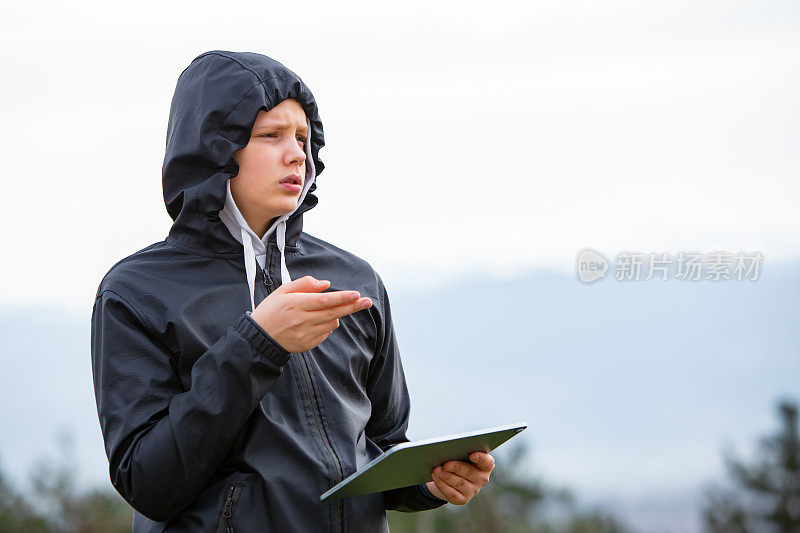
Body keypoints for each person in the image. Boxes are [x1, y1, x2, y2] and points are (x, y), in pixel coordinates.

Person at [90, 50, 495, 532]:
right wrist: (258, 343)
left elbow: (381, 444)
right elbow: (148, 483)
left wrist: (427, 483)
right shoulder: (136, 292)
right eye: (270, 135)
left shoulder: (354, 278)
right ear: (215, 147)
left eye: (303, 137)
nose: (297, 154)